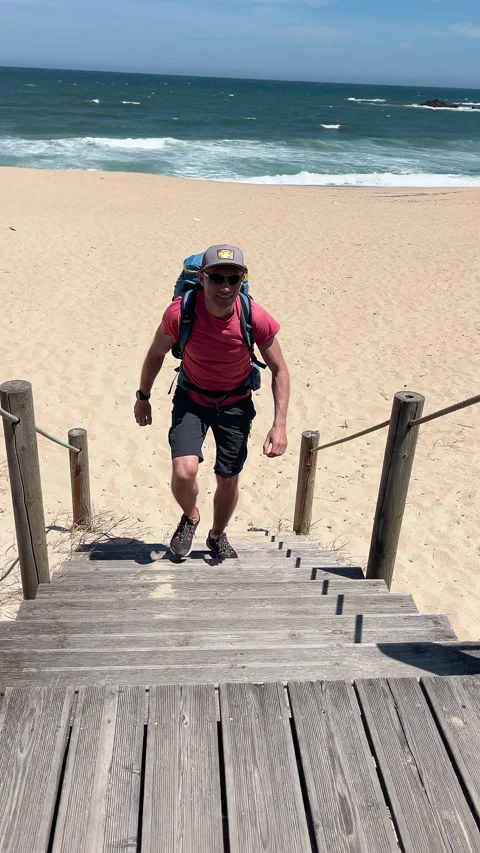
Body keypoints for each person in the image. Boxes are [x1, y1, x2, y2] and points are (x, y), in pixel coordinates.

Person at [134, 244, 290, 559]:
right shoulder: (181, 312)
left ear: (243, 281)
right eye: (217, 278)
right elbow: (156, 353)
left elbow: (279, 369)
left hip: (236, 404)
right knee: (183, 471)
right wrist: (143, 397)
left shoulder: (254, 316)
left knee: (228, 476)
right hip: (192, 399)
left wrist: (279, 425)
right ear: (203, 278)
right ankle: (191, 516)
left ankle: (217, 535)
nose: (225, 287)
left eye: (233, 279)